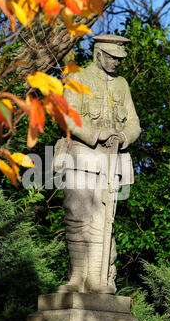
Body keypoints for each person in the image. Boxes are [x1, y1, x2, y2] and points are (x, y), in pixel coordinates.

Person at [54, 34, 141, 294]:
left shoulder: (121, 85)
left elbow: (134, 123)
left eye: (119, 58)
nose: (117, 62)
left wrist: (125, 136)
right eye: (113, 57)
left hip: (111, 163)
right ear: (98, 54)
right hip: (81, 157)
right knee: (78, 219)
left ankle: (98, 279)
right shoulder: (77, 79)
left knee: (103, 223)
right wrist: (96, 133)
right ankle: (77, 277)